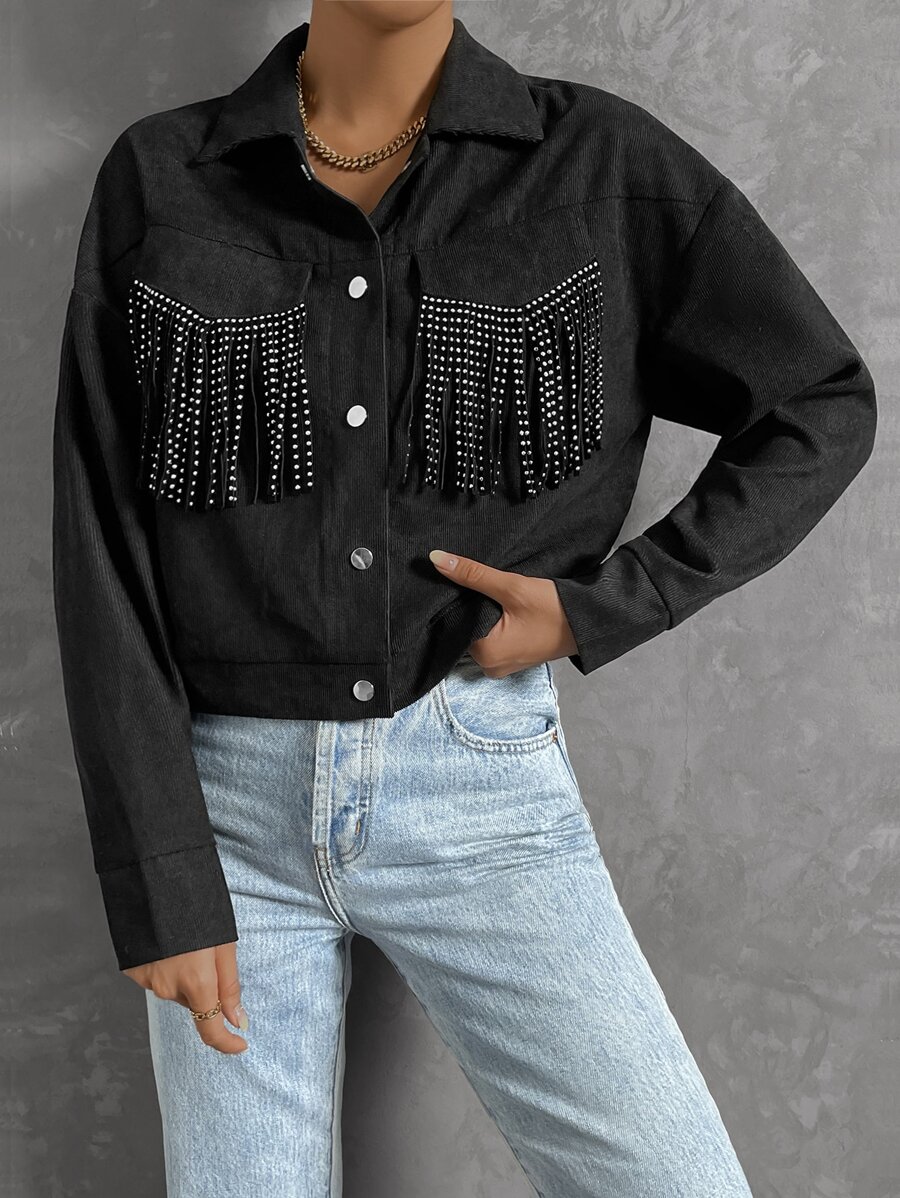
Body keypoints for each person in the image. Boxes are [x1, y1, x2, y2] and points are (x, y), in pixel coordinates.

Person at [51, 1, 876, 1194]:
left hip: (480, 783)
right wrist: (160, 877)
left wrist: (605, 604)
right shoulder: (161, 176)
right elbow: (101, 543)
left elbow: (818, 400)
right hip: (222, 813)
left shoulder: (599, 168)